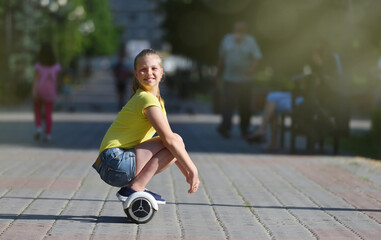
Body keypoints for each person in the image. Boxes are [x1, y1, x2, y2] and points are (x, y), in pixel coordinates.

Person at [92, 49, 200, 204]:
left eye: (154, 68)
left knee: (175, 142)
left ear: (162, 72)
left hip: (111, 164)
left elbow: (171, 143)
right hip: (115, 161)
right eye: (143, 69)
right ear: (136, 74)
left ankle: (136, 186)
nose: (149, 72)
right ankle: (136, 187)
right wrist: (193, 169)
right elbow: (170, 141)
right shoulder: (146, 99)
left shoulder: (156, 101)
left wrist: (186, 172)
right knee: (175, 140)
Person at [246, 41, 343, 151]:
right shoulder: (318, 66)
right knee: (271, 100)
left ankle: (266, 134)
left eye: (314, 52)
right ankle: (268, 137)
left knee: (271, 102)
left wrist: (305, 83)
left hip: (307, 101)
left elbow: (314, 87)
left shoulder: (324, 69)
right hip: (302, 97)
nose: (312, 54)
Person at [215, 21, 263, 139]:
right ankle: (225, 128)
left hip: (245, 80)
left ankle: (245, 128)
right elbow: (221, 58)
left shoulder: (250, 41)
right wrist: (217, 74)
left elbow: (257, 57)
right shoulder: (227, 39)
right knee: (228, 104)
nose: (239, 32)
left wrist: (251, 69)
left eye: (241, 30)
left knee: (245, 105)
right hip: (229, 78)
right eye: (237, 30)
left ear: (245, 31)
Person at [32, 43, 61, 143]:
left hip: (40, 89)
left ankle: (39, 127)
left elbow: (36, 79)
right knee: (48, 113)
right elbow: (57, 80)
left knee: (37, 109)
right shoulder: (56, 66)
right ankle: (48, 135)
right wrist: (57, 91)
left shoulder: (39, 65)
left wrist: (34, 91)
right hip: (51, 90)